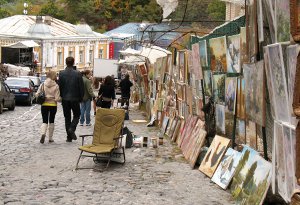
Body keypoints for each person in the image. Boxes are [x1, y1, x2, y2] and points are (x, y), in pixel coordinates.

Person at [59, 57, 84, 142]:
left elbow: (60, 87)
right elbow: (81, 87)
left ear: (66, 63)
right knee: (77, 115)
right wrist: (81, 97)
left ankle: (69, 137)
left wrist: (62, 96)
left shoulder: (61, 73)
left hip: (65, 98)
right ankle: (72, 129)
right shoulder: (78, 73)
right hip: (75, 98)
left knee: (67, 118)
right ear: (73, 63)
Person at [36, 71, 61, 144]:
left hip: (44, 105)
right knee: (52, 121)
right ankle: (50, 138)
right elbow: (57, 98)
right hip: (53, 105)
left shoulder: (43, 84)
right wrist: (60, 99)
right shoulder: (56, 86)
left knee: (44, 120)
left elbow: (37, 94)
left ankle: (43, 133)